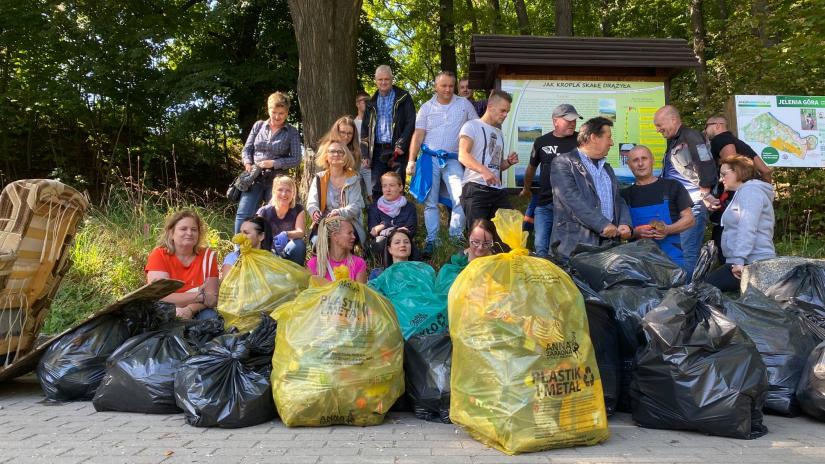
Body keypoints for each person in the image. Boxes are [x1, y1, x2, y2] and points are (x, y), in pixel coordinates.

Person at [407, 71, 478, 254]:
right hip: (430, 159)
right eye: (443, 85)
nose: (447, 89)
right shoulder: (426, 107)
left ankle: (455, 238)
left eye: (450, 86)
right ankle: (433, 240)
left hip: (453, 158)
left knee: (460, 197)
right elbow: (418, 135)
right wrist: (411, 160)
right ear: (435, 86)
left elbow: (476, 130)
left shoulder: (464, 105)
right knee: (430, 203)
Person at [550, 116, 632, 261]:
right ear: (594, 137)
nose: (612, 143)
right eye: (609, 137)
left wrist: (625, 223)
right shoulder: (563, 163)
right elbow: (571, 198)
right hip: (575, 246)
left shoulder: (607, 169)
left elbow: (618, 200)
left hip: (609, 245)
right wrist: (602, 224)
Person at [654, 105, 718, 280]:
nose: (658, 130)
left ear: (673, 120)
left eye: (660, 125)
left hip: (693, 205)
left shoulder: (690, 136)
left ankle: (689, 294)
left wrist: (705, 192)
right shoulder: (675, 139)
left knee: (688, 252)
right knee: (679, 250)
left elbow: (705, 162)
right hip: (681, 205)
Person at [520, 103, 582, 257]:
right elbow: (531, 168)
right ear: (555, 121)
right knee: (540, 246)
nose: (573, 123)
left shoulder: (581, 141)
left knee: (564, 250)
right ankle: (542, 279)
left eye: (575, 120)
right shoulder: (541, 141)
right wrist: (526, 188)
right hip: (544, 203)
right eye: (568, 120)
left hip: (570, 207)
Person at [706, 156, 775, 292]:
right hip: (744, 261)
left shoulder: (750, 192)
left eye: (724, 174)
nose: (721, 179)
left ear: (737, 172)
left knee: (702, 290)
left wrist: (738, 260)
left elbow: (747, 226)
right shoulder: (743, 192)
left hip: (751, 262)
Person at [236, 92, 302, 233]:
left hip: (277, 180)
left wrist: (273, 163)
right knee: (243, 214)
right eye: (274, 112)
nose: (277, 116)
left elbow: (296, 159)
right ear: (268, 110)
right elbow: (247, 149)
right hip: (254, 177)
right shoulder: (258, 126)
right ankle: (239, 250)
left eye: (281, 113)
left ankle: (272, 250)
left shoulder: (292, 132)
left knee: (273, 216)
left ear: (287, 112)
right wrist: (248, 164)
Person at [621, 145, 696, 269]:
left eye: (644, 158)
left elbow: (689, 220)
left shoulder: (672, 186)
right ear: (629, 165)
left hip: (672, 260)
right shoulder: (624, 195)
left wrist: (667, 229)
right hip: (639, 263)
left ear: (652, 160)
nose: (640, 163)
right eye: (635, 160)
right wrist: (636, 232)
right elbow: (620, 231)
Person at [458, 90, 519, 230]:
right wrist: (483, 171)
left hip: (497, 191)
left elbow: (496, 167)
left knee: (508, 233)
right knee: (479, 236)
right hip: (475, 188)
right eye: (503, 110)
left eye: (507, 111)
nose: (505, 115)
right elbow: (462, 155)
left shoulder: (499, 133)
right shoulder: (471, 125)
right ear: (490, 106)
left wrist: (508, 162)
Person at [145, 211, 219, 320]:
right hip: (166, 309)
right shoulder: (159, 255)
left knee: (211, 317)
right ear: (171, 233)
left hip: (197, 309)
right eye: (183, 229)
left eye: (194, 229)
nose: (189, 233)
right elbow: (159, 296)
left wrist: (189, 309)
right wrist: (199, 295)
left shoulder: (208, 256)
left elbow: (212, 299)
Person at [360, 65, 416, 199]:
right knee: (377, 189)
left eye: (387, 79)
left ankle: (400, 219)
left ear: (392, 79)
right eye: (380, 79)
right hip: (378, 151)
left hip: (397, 150)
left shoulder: (404, 97)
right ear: (375, 80)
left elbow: (411, 122)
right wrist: (365, 154)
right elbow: (364, 130)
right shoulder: (371, 102)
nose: (383, 82)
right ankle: (378, 219)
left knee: (397, 186)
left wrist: (402, 144)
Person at [306, 141, 366, 244]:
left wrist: (339, 212)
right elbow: (312, 203)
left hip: (348, 221)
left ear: (345, 156)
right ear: (326, 156)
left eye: (340, 152)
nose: (336, 154)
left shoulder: (353, 178)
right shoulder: (319, 178)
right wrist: (314, 212)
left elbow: (355, 206)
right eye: (332, 151)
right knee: (317, 242)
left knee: (343, 238)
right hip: (325, 222)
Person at [255, 176, 306, 266]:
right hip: (268, 253)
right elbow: (256, 235)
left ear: (293, 193)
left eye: (288, 190)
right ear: (274, 191)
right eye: (280, 190)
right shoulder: (264, 212)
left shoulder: (298, 209)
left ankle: (296, 275)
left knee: (299, 245)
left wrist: (286, 234)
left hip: (288, 251)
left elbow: (300, 232)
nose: (284, 194)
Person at [705, 115, 772, 181]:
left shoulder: (720, 139)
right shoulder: (740, 143)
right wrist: (766, 189)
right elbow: (766, 171)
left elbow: (732, 165)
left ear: (717, 125)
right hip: (753, 188)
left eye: (706, 126)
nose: (705, 130)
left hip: (737, 190)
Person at [319, 116, 370, 201]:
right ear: (336, 132)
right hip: (329, 192)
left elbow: (354, 176)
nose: (346, 136)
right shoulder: (327, 148)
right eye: (342, 132)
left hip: (350, 192)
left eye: (349, 133)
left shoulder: (357, 151)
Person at [367, 171, 417, 259]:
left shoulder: (409, 207)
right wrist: (395, 228)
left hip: (402, 243)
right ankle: (386, 271)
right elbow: (373, 232)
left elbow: (411, 231)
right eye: (384, 186)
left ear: (400, 187)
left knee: (407, 244)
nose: (387, 189)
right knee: (381, 241)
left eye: (392, 185)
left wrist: (383, 226)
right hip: (382, 246)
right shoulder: (374, 208)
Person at [307, 216, 368, 283]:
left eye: (353, 233)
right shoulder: (314, 264)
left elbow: (361, 293)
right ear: (335, 236)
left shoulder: (358, 264)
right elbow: (309, 292)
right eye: (349, 233)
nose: (354, 237)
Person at [354, 91, 371, 191]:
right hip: (355, 164)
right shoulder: (352, 124)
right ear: (357, 104)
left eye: (368, 100)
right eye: (363, 100)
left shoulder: (374, 123)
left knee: (372, 195)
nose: (366, 102)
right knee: (355, 195)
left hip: (370, 164)